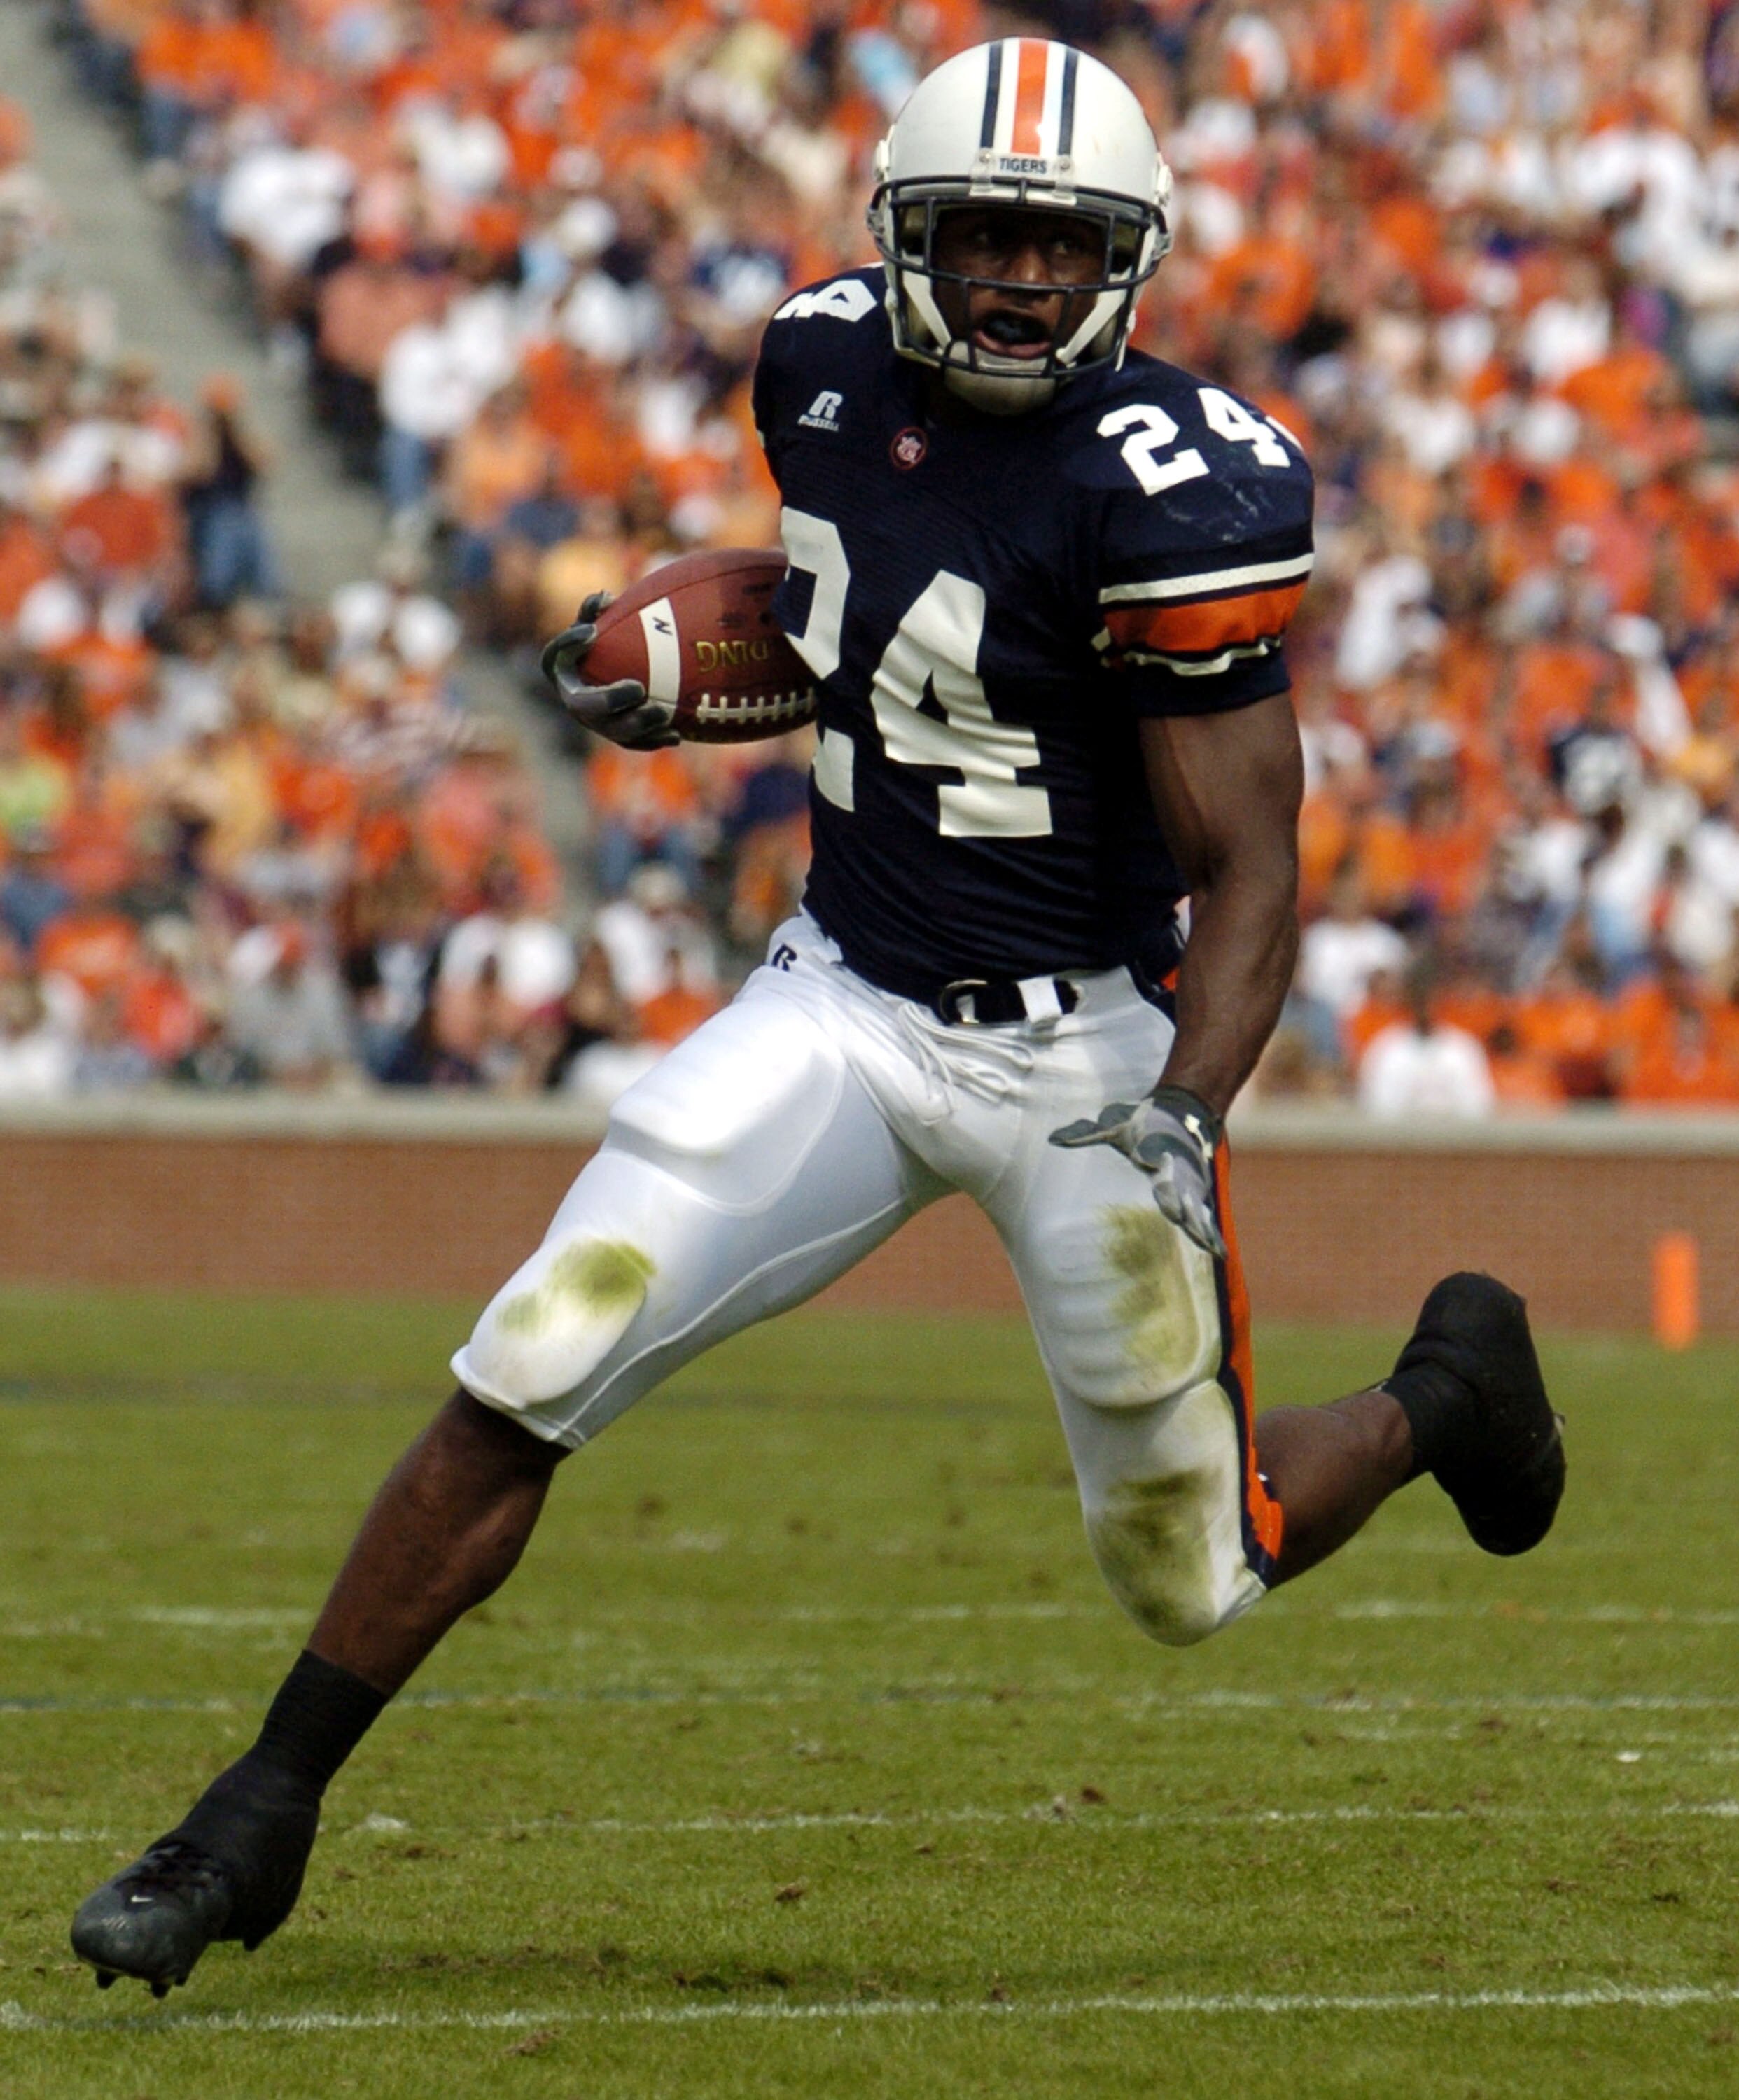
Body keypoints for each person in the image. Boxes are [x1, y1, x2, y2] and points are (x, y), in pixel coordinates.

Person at [71, 38, 1565, 1996]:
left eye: (1062, 245)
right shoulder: (822, 368)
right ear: (901, 234)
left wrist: (1184, 1114)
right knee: (538, 1346)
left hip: (1090, 1052)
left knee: (1192, 1572)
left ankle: (1448, 1385)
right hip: (847, 1001)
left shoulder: (1179, 490)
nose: (1024, 280)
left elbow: (1255, 873)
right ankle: (251, 1818)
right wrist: (691, 667)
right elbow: (857, 608)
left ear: (1130, 259)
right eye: (984, 236)